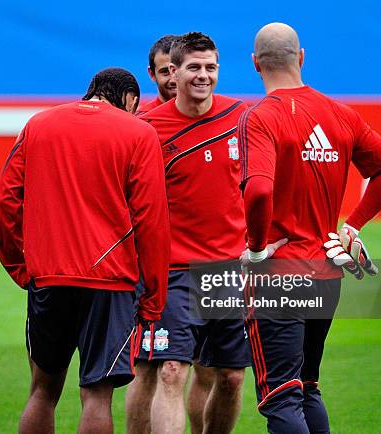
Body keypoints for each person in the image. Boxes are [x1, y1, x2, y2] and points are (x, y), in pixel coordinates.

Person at [238, 23, 381, 433]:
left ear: (255, 63)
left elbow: (258, 191)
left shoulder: (259, 117)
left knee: (281, 397)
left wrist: (258, 250)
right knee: (308, 388)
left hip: (279, 274)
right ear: (302, 57)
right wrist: (353, 225)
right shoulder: (339, 113)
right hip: (326, 272)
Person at [0, 67, 170, 434]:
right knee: (96, 395)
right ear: (130, 100)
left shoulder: (38, 124)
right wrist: (154, 294)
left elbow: (7, 202)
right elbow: (151, 220)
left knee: (42, 391)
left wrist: (18, 266)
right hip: (111, 284)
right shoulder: (139, 132)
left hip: (48, 278)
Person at [128, 32, 278, 434]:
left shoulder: (243, 117)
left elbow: (266, 183)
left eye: (210, 67)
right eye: (194, 67)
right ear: (172, 73)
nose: (203, 75)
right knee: (171, 371)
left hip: (230, 270)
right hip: (172, 271)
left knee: (230, 377)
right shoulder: (145, 129)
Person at [135, 35, 179, 116]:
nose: (173, 80)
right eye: (165, 71)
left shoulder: (210, 116)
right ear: (152, 74)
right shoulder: (141, 121)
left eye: (178, 70)